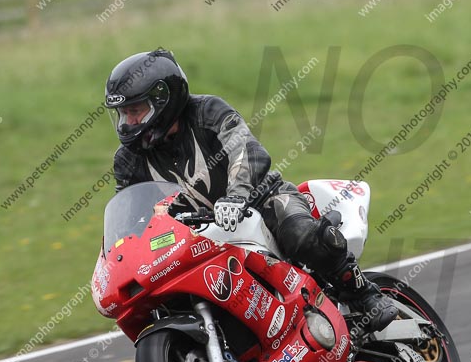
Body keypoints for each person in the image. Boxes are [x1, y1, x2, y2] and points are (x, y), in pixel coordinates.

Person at [104, 49, 397, 331]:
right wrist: (118, 262)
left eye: (136, 111)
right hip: (199, 238)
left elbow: (245, 150)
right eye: (123, 114)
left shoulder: (207, 112)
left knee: (301, 234)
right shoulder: (128, 161)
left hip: (262, 200)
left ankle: (364, 294)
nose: (128, 123)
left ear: (164, 100)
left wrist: (236, 196)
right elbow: (132, 219)